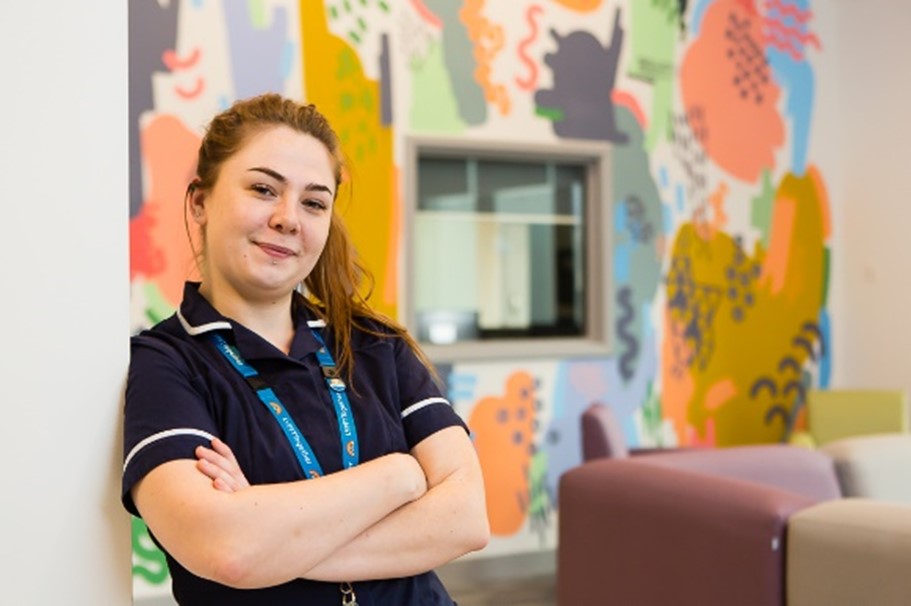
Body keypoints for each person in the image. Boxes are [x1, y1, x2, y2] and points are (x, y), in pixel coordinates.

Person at [121, 93, 490, 605]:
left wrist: (270, 533)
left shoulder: (375, 344)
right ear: (200, 202)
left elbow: (466, 518)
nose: (288, 218)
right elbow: (225, 548)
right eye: (263, 189)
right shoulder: (163, 363)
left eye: (313, 202)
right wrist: (399, 476)